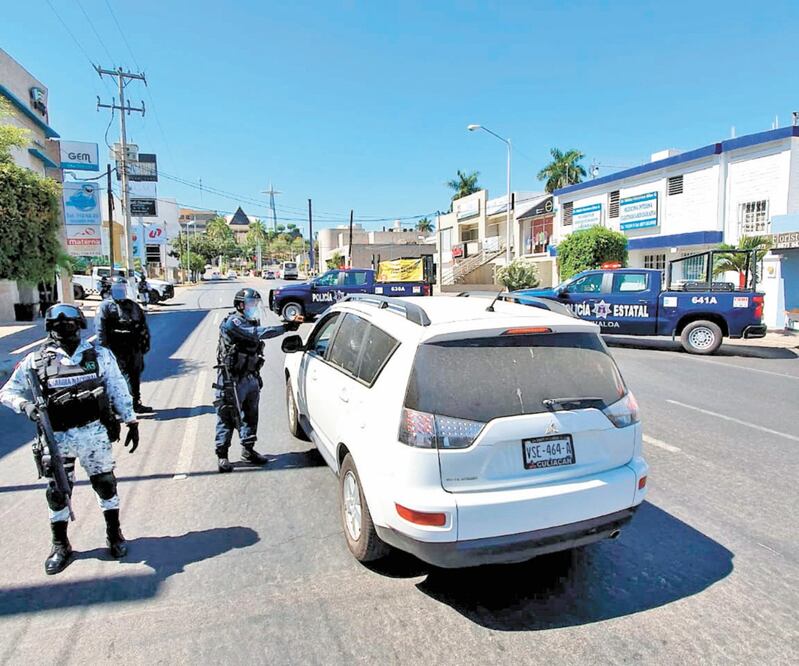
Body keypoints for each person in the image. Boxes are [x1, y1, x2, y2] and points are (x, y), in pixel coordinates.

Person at [0, 304, 139, 575]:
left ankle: (114, 534)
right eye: (58, 325)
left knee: (106, 484)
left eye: (71, 324)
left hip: (94, 434)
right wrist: (27, 407)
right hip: (57, 438)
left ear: (80, 325)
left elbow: (117, 387)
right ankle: (60, 545)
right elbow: (7, 392)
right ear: (50, 329)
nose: (65, 329)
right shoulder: (35, 361)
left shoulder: (99, 355)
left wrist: (130, 419)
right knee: (57, 493)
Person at [214, 288, 302, 473]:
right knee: (228, 416)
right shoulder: (234, 322)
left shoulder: (250, 320)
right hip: (232, 379)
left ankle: (248, 449)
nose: (254, 308)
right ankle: (222, 455)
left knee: (251, 416)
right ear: (240, 305)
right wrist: (286, 327)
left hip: (250, 376)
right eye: (251, 304)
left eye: (256, 304)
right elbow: (258, 333)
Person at [95, 277, 153, 413]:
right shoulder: (105, 307)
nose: (120, 291)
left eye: (122, 289)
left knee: (134, 376)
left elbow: (143, 327)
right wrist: (104, 352)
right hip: (115, 349)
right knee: (118, 378)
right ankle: (117, 407)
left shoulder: (133, 306)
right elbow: (100, 330)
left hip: (133, 348)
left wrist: (145, 345)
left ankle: (136, 403)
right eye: (117, 289)